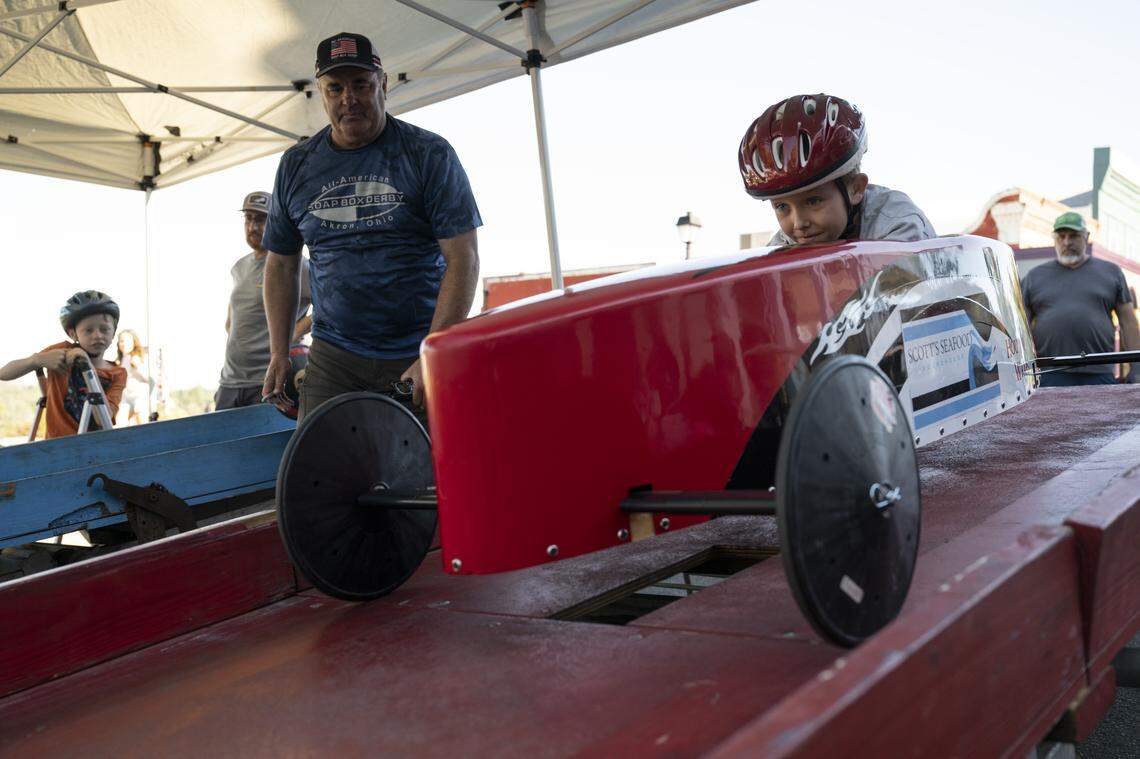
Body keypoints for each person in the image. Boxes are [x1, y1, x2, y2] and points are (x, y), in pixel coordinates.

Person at [260, 32, 481, 420]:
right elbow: (281, 263)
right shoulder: (296, 165)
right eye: (335, 87)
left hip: (417, 349)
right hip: (334, 358)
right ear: (322, 93)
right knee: (324, 473)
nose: (349, 98)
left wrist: (432, 352)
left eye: (361, 84)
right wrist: (279, 351)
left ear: (383, 85)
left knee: (429, 473)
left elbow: (464, 259)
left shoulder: (428, 154)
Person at [738, 94, 936, 246]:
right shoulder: (783, 245)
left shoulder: (899, 228)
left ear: (855, 189)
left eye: (813, 201)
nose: (799, 223)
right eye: (782, 207)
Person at [216, 191, 312, 410]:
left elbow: (328, 306)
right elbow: (231, 320)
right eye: (248, 218)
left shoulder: (295, 266)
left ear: (276, 222)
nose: (253, 226)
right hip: (230, 381)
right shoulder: (239, 267)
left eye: (260, 219)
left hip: (271, 382)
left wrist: (295, 331)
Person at [1020, 212, 1139, 387]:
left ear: (1086, 237)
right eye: (1061, 236)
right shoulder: (1033, 277)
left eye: (1074, 236)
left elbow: (1129, 323)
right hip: (1049, 374)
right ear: (1055, 239)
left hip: (1099, 374)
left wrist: (1137, 368)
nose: (1067, 242)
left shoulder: (1111, 272)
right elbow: (1021, 328)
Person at [0, 291, 127, 438]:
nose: (97, 335)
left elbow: (102, 419)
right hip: (57, 447)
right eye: (88, 330)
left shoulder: (118, 373)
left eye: (104, 329)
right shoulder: (60, 353)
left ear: (113, 333)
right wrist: (36, 360)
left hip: (94, 450)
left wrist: (87, 366)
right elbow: (3, 374)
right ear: (73, 334)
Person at [115, 328, 151, 425]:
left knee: (141, 421)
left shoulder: (139, 357)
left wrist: (138, 366)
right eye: (121, 341)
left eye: (127, 341)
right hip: (125, 396)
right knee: (120, 422)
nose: (124, 343)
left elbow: (149, 379)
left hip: (139, 395)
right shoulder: (119, 361)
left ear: (133, 342)